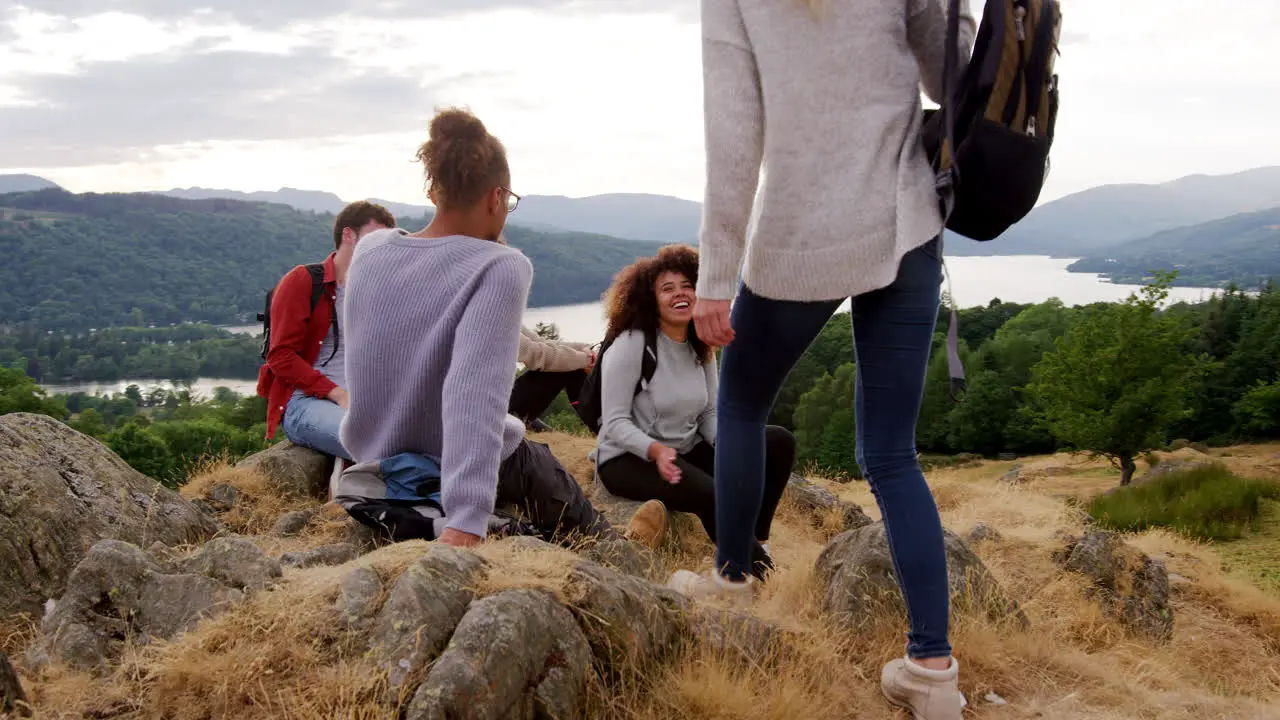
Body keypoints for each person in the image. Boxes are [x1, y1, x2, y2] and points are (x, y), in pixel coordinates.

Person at [683, 0, 977, 717]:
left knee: (744, 402)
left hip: (798, 234)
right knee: (890, 453)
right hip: (905, 222)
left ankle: (730, 583)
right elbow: (955, 77)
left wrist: (716, 277)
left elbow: (734, 134)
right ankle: (933, 671)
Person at [336, 107, 617, 548]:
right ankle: (612, 543)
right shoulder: (499, 266)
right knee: (538, 462)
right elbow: (475, 394)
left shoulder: (370, 251)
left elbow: (369, 359)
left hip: (377, 461)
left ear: (436, 191)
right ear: (496, 197)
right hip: (445, 462)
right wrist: (466, 519)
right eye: (509, 201)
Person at [595, 244, 796, 578]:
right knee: (711, 494)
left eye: (687, 286)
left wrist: (728, 443)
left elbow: (707, 413)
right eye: (667, 289)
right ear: (651, 298)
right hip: (628, 458)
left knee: (777, 443)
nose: (680, 294)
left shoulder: (698, 343)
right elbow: (614, 422)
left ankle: (759, 539)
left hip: (683, 449)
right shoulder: (632, 344)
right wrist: (656, 450)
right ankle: (757, 575)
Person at [256, 201, 396, 461]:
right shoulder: (303, 281)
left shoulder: (377, 290)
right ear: (348, 235)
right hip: (305, 402)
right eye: (373, 237)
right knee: (373, 441)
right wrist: (339, 394)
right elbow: (280, 356)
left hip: (362, 398)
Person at [509, 324, 596, 431]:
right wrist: (587, 360)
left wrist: (586, 349)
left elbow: (540, 342)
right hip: (494, 406)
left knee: (573, 362)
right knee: (571, 366)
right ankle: (602, 427)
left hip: (504, 397)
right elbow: (537, 355)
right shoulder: (491, 321)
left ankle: (602, 426)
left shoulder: (503, 317)